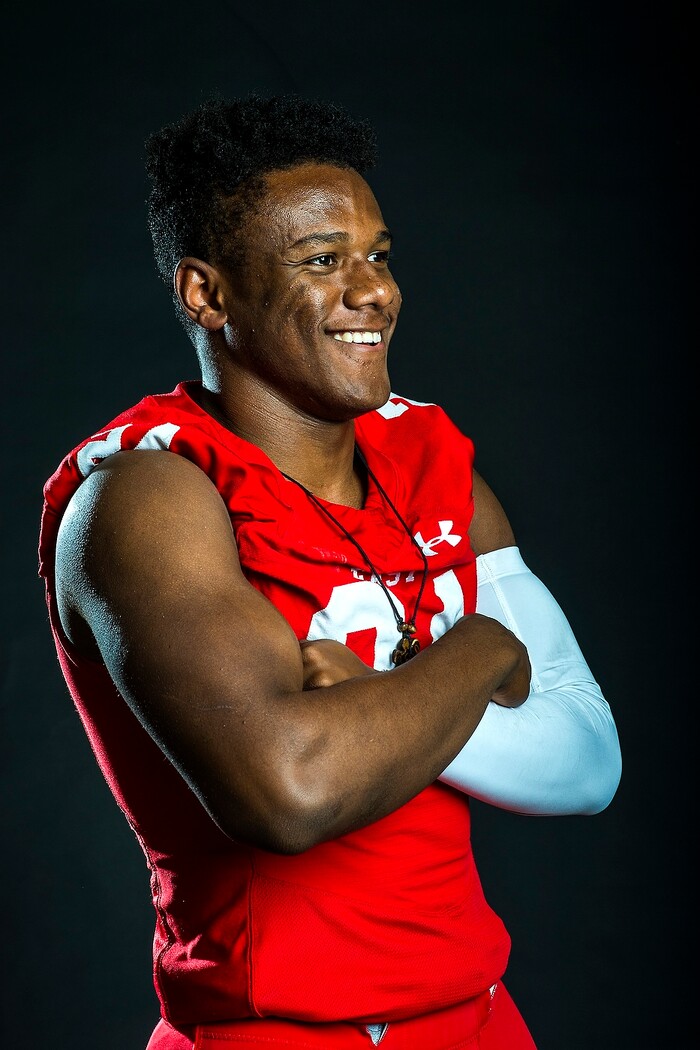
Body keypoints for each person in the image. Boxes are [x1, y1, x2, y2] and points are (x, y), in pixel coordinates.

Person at [38, 93, 621, 1050]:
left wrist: (378, 701)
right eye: (323, 260)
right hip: (277, 1033)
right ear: (207, 294)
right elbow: (291, 792)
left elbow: (589, 758)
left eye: (379, 256)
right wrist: (478, 653)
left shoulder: (429, 462)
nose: (375, 291)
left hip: (477, 1017)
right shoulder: (147, 496)